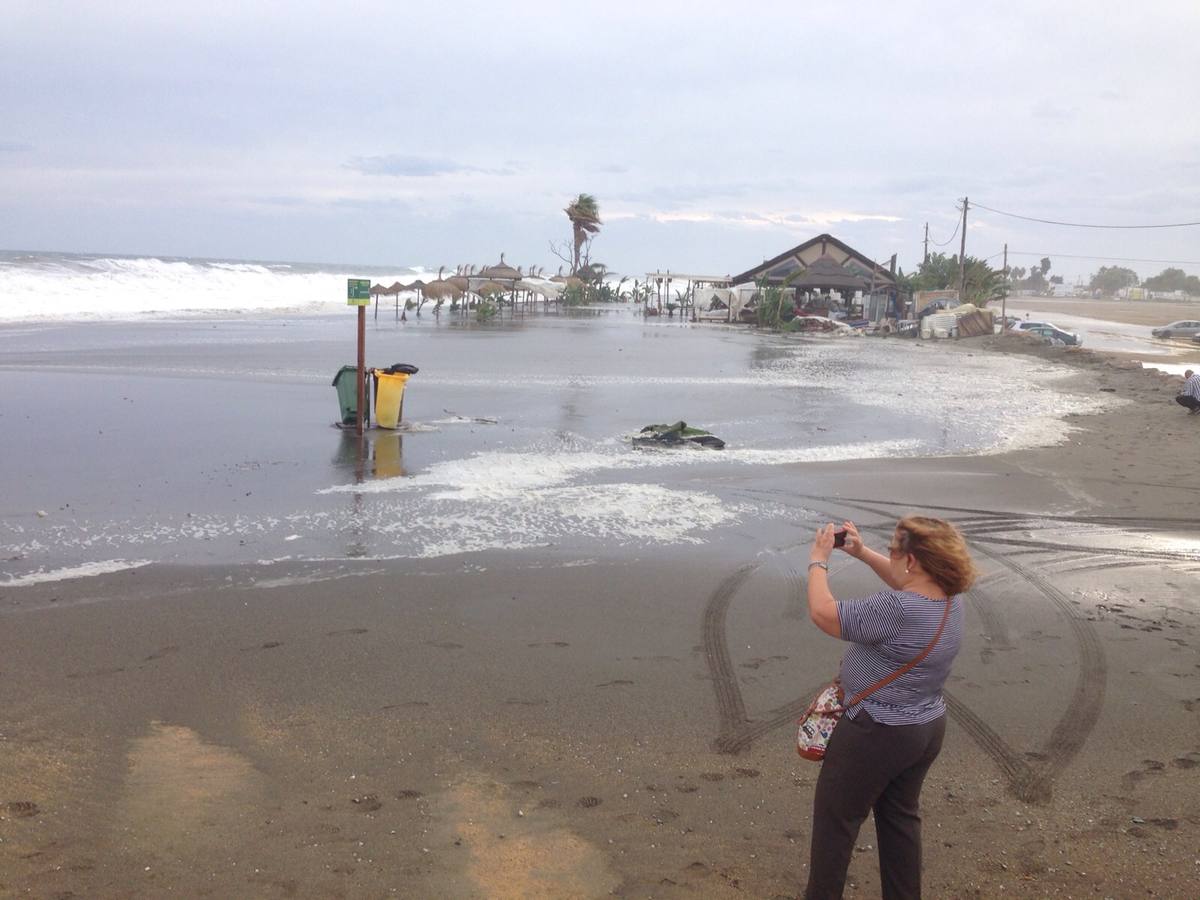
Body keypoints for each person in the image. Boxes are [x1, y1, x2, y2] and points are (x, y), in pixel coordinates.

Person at [802, 516, 977, 900]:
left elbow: (823, 613)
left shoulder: (898, 609)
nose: (891, 554)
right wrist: (863, 553)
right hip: (925, 726)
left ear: (912, 560)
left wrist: (818, 559)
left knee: (836, 822)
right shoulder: (951, 600)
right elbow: (908, 583)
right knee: (900, 819)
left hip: (875, 730)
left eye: (894, 549)